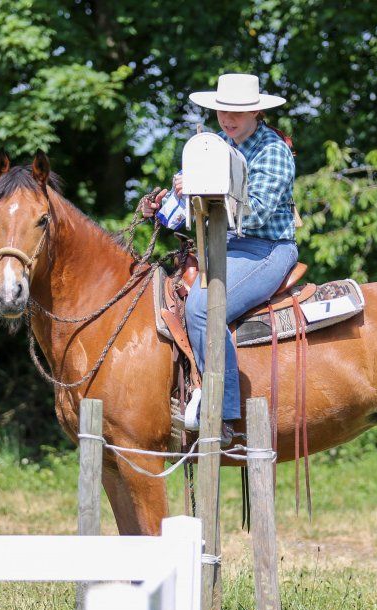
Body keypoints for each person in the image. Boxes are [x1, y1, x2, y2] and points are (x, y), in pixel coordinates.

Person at [143, 73, 298, 440]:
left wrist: (201, 190)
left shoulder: (272, 151)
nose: (228, 119)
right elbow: (184, 212)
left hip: (266, 247)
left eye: (237, 113)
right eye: (221, 111)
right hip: (221, 247)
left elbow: (255, 213)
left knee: (202, 307)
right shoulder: (212, 146)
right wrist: (163, 208)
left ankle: (222, 414)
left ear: (256, 111)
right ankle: (184, 394)